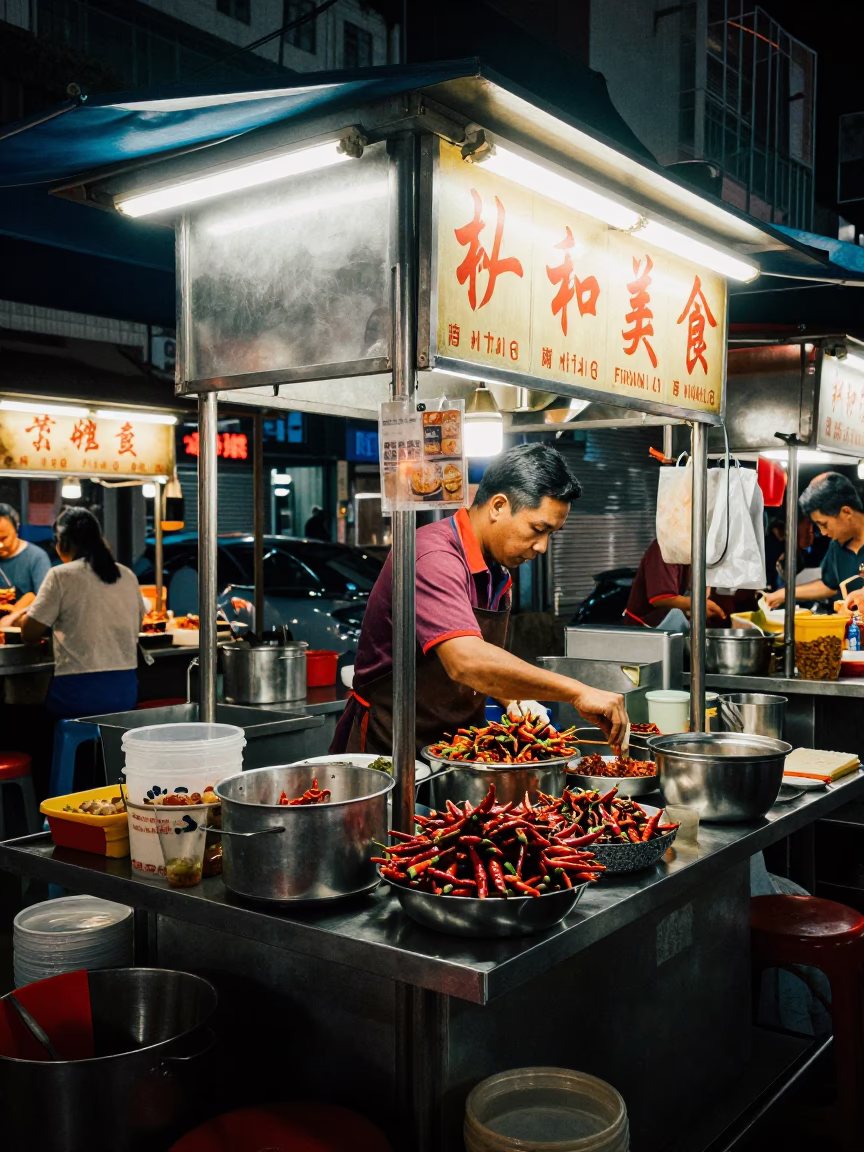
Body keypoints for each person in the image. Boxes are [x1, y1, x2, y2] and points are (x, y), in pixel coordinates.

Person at [330, 444, 629, 758]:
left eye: (551, 534)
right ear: (498, 506)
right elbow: (466, 661)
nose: (542, 547)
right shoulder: (433, 556)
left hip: (454, 744)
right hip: (390, 745)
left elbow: (485, 661)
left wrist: (512, 699)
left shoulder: (496, 571)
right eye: (538, 529)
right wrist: (578, 691)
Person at [1, 507, 144, 718]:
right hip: (125, 693)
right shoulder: (127, 575)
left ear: (64, 543)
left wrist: (23, 618)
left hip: (77, 695)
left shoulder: (60, 575)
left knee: (24, 719)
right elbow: (138, 625)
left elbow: (30, 634)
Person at [764, 473, 864, 611]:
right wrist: (784, 594)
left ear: (846, 512)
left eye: (824, 524)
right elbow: (829, 585)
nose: (822, 532)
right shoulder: (836, 546)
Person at [625, 538, 726, 632]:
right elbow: (662, 598)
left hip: (672, 624)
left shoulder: (695, 551)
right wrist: (699, 604)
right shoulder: (665, 548)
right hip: (643, 630)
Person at [0, 502, 51, 611]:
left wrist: (15, 613)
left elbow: (45, 601)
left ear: (16, 529)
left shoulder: (37, 558)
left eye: (3, 538)